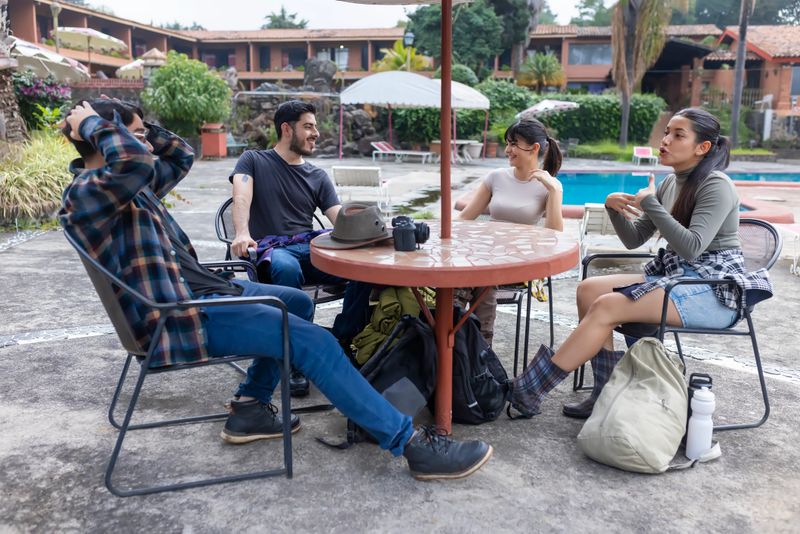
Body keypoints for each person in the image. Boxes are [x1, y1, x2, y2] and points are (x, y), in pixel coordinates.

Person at [58, 98, 493, 481]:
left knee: (297, 302)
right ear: (106, 142)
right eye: (137, 136)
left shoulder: (127, 188)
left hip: (199, 294)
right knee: (316, 342)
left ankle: (251, 406)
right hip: (178, 316)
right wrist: (96, 124)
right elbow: (135, 160)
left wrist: (129, 126)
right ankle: (412, 447)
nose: (147, 145)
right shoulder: (92, 194)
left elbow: (179, 156)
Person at [509, 107, 773, 419]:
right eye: (666, 132)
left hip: (713, 291)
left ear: (702, 147)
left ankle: (530, 388)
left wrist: (651, 203)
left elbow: (691, 247)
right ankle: (605, 391)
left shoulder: (716, 185)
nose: (666, 140)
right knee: (588, 290)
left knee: (607, 306)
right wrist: (612, 209)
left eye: (678, 135)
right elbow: (634, 240)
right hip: (678, 278)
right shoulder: (669, 183)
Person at [228, 100, 368, 395]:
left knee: (365, 270)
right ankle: (294, 358)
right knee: (285, 267)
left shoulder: (317, 175)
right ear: (286, 129)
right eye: (308, 126)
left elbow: (339, 220)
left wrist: (373, 226)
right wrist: (241, 233)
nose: (316, 132)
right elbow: (241, 197)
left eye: (316, 126)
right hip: (271, 250)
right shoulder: (253, 160)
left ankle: (341, 340)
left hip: (310, 248)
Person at [456, 118, 564, 345]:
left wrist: (553, 190)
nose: (507, 150)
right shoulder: (496, 177)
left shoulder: (550, 186)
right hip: (485, 257)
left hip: (518, 263)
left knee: (475, 277)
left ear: (534, 148)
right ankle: (478, 345)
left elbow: (555, 236)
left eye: (514, 144)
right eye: (507, 143)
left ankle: (462, 335)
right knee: (477, 273)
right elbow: (464, 219)